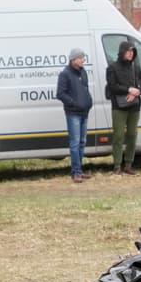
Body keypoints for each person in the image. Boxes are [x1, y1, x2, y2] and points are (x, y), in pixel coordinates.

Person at [104, 41, 141, 175]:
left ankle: (128, 164)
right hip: (119, 106)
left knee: (132, 135)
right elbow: (112, 87)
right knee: (118, 135)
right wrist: (128, 90)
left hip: (134, 106)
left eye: (132, 51)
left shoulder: (136, 67)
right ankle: (117, 165)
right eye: (128, 51)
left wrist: (138, 92)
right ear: (122, 52)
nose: (131, 53)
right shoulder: (112, 68)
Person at [54, 48, 93, 183]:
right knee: (75, 143)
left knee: (82, 142)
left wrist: (88, 101)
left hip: (84, 112)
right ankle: (76, 172)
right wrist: (74, 103)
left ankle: (79, 170)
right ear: (73, 59)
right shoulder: (65, 74)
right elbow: (60, 93)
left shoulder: (83, 72)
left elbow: (85, 89)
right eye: (80, 57)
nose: (83, 60)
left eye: (83, 57)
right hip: (73, 113)